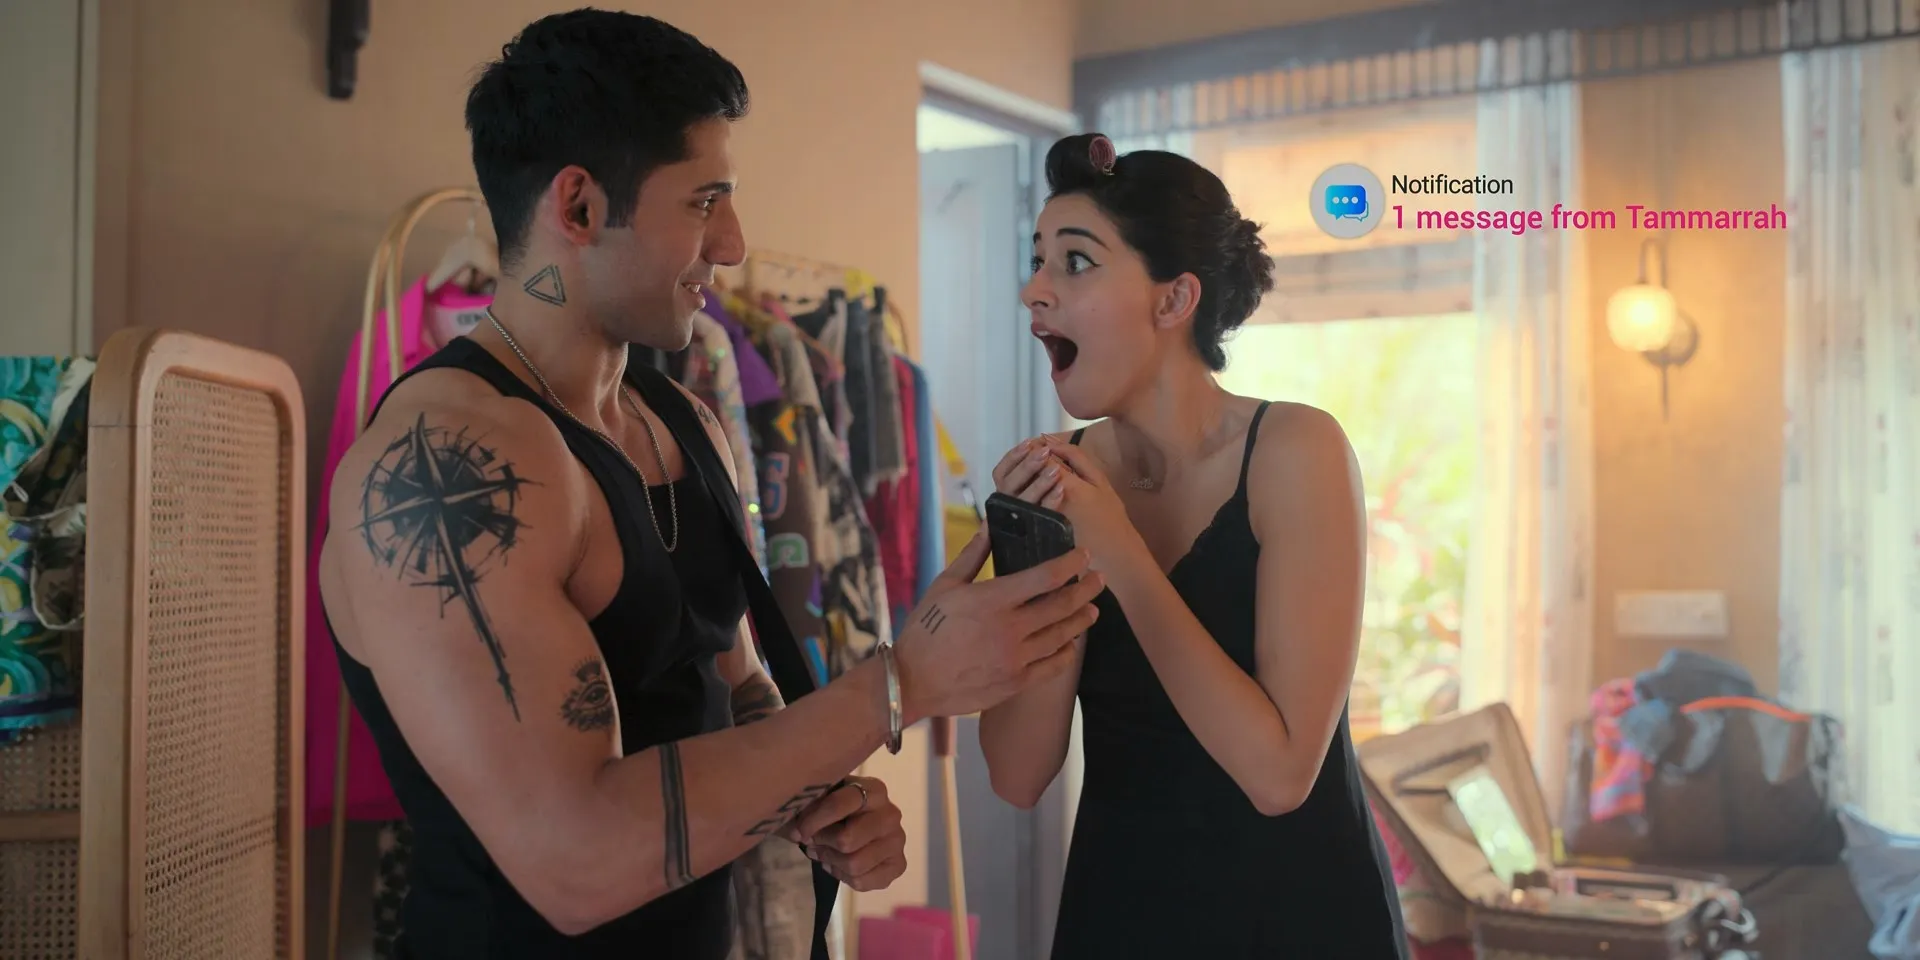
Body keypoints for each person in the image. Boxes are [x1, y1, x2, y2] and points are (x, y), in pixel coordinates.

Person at [317, 11, 1105, 958]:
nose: (731, 245)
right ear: (578, 208)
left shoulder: (683, 422)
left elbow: (734, 688)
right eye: (704, 203)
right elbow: (574, 863)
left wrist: (817, 795)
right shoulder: (449, 462)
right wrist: (900, 686)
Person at [978, 133, 1410, 958]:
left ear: (1174, 299)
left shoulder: (1296, 452)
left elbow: (1280, 776)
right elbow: (1017, 775)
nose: (1035, 290)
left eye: (1075, 262)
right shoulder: (1059, 483)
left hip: (1301, 921)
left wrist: (1118, 552)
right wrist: (1040, 564)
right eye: (1037, 262)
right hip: (1120, 916)